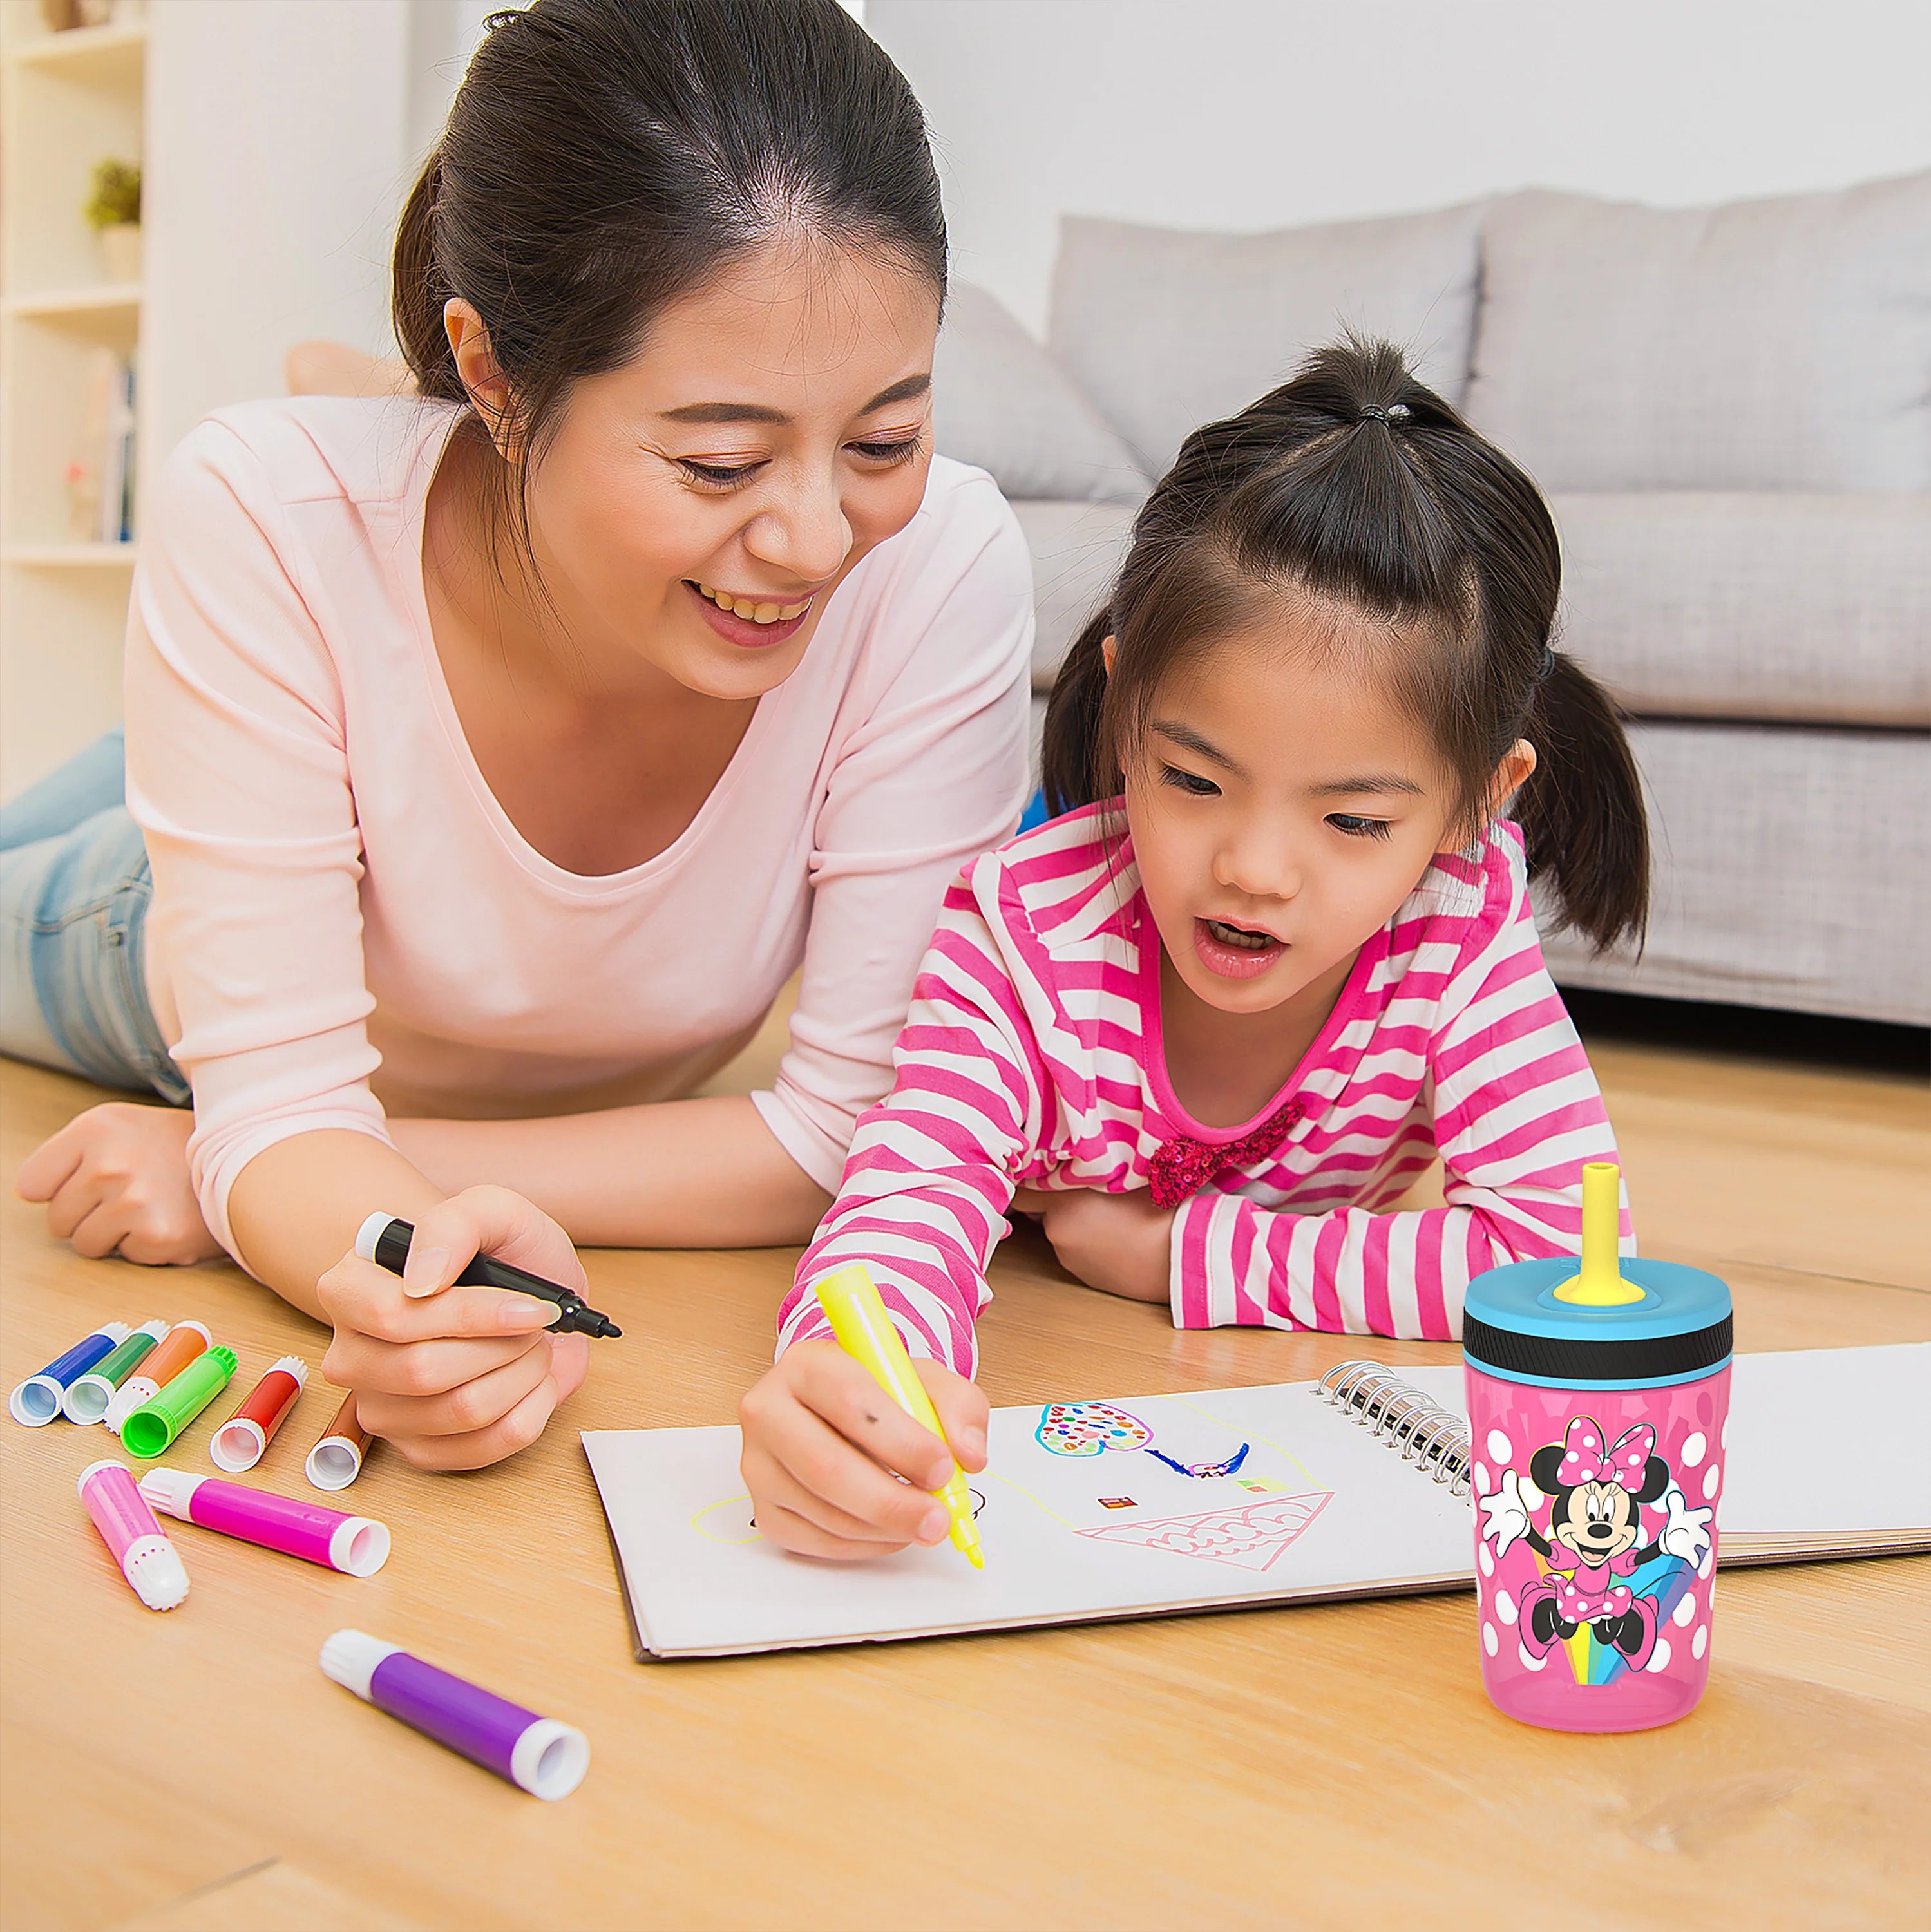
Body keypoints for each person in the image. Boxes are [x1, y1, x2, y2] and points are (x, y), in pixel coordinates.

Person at [2, 0, 1032, 1470]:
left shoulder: (934, 565)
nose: (814, 540)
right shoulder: (248, 503)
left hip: (351, 775)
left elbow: (848, 1131)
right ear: (490, 369)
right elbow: (279, 1102)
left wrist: (288, 1178)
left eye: (882, 441)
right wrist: (274, 1158)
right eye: (719, 458)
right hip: (133, 921)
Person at [738, 337, 1650, 1561]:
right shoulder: (1020, 930)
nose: (1254, 869)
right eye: (1192, 779)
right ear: (1121, 713)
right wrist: (855, 1378)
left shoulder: (1458, 928)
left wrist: (1185, 1255)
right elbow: (909, 1196)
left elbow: (1554, 1267)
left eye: (1352, 821)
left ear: (1473, 802)